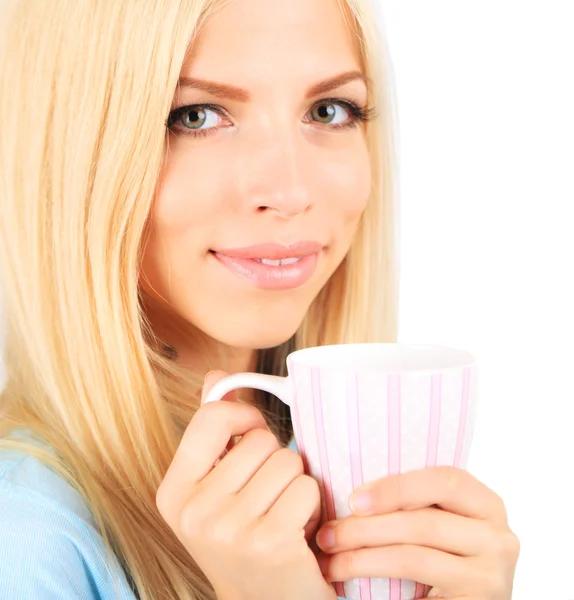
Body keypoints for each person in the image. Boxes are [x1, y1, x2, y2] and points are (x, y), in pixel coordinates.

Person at [0, 0, 520, 599]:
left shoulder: (325, 468)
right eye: (196, 115)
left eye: (330, 111)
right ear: (70, 158)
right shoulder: (26, 535)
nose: (290, 190)